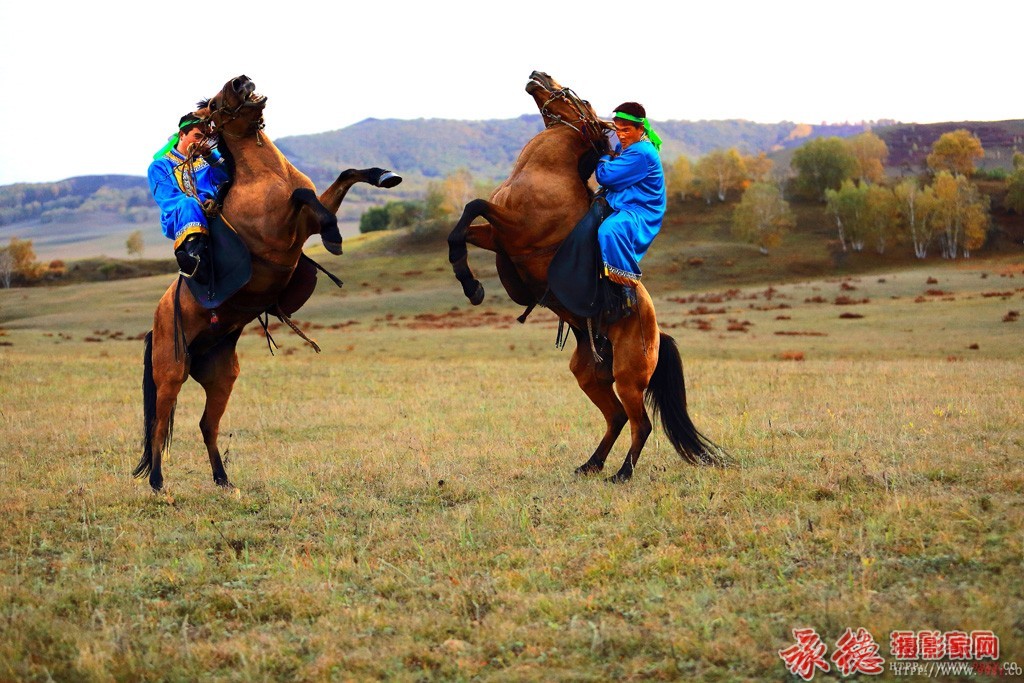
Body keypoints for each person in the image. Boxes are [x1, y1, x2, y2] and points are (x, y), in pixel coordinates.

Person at [594, 102, 666, 308]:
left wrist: (605, 156)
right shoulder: (627, 146)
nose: (621, 136)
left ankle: (626, 289)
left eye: (626, 130)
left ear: (640, 129)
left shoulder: (641, 152)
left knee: (609, 230)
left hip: (640, 209)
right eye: (617, 130)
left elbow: (605, 176)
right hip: (626, 200)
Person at [148, 113, 230, 282]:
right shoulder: (160, 166)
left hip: (214, 210)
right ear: (182, 135)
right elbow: (168, 200)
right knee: (188, 203)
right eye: (197, 136)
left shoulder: (208, 160)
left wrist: (210, 155)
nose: (201, 142)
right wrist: (200, 202)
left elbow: (227, 177)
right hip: (179, 217)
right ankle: (195, 260)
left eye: (205, 138)